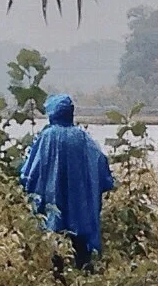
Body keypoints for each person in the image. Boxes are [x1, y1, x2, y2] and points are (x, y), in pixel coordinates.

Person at [17, 93, 115, 270]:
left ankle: (57, 274)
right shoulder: (82, 138)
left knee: (53, 236)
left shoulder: (46, 137)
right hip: (79, 203)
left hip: (52, 199)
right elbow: (100, 163)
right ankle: (84, 273)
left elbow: (31, 170)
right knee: (80, 241)